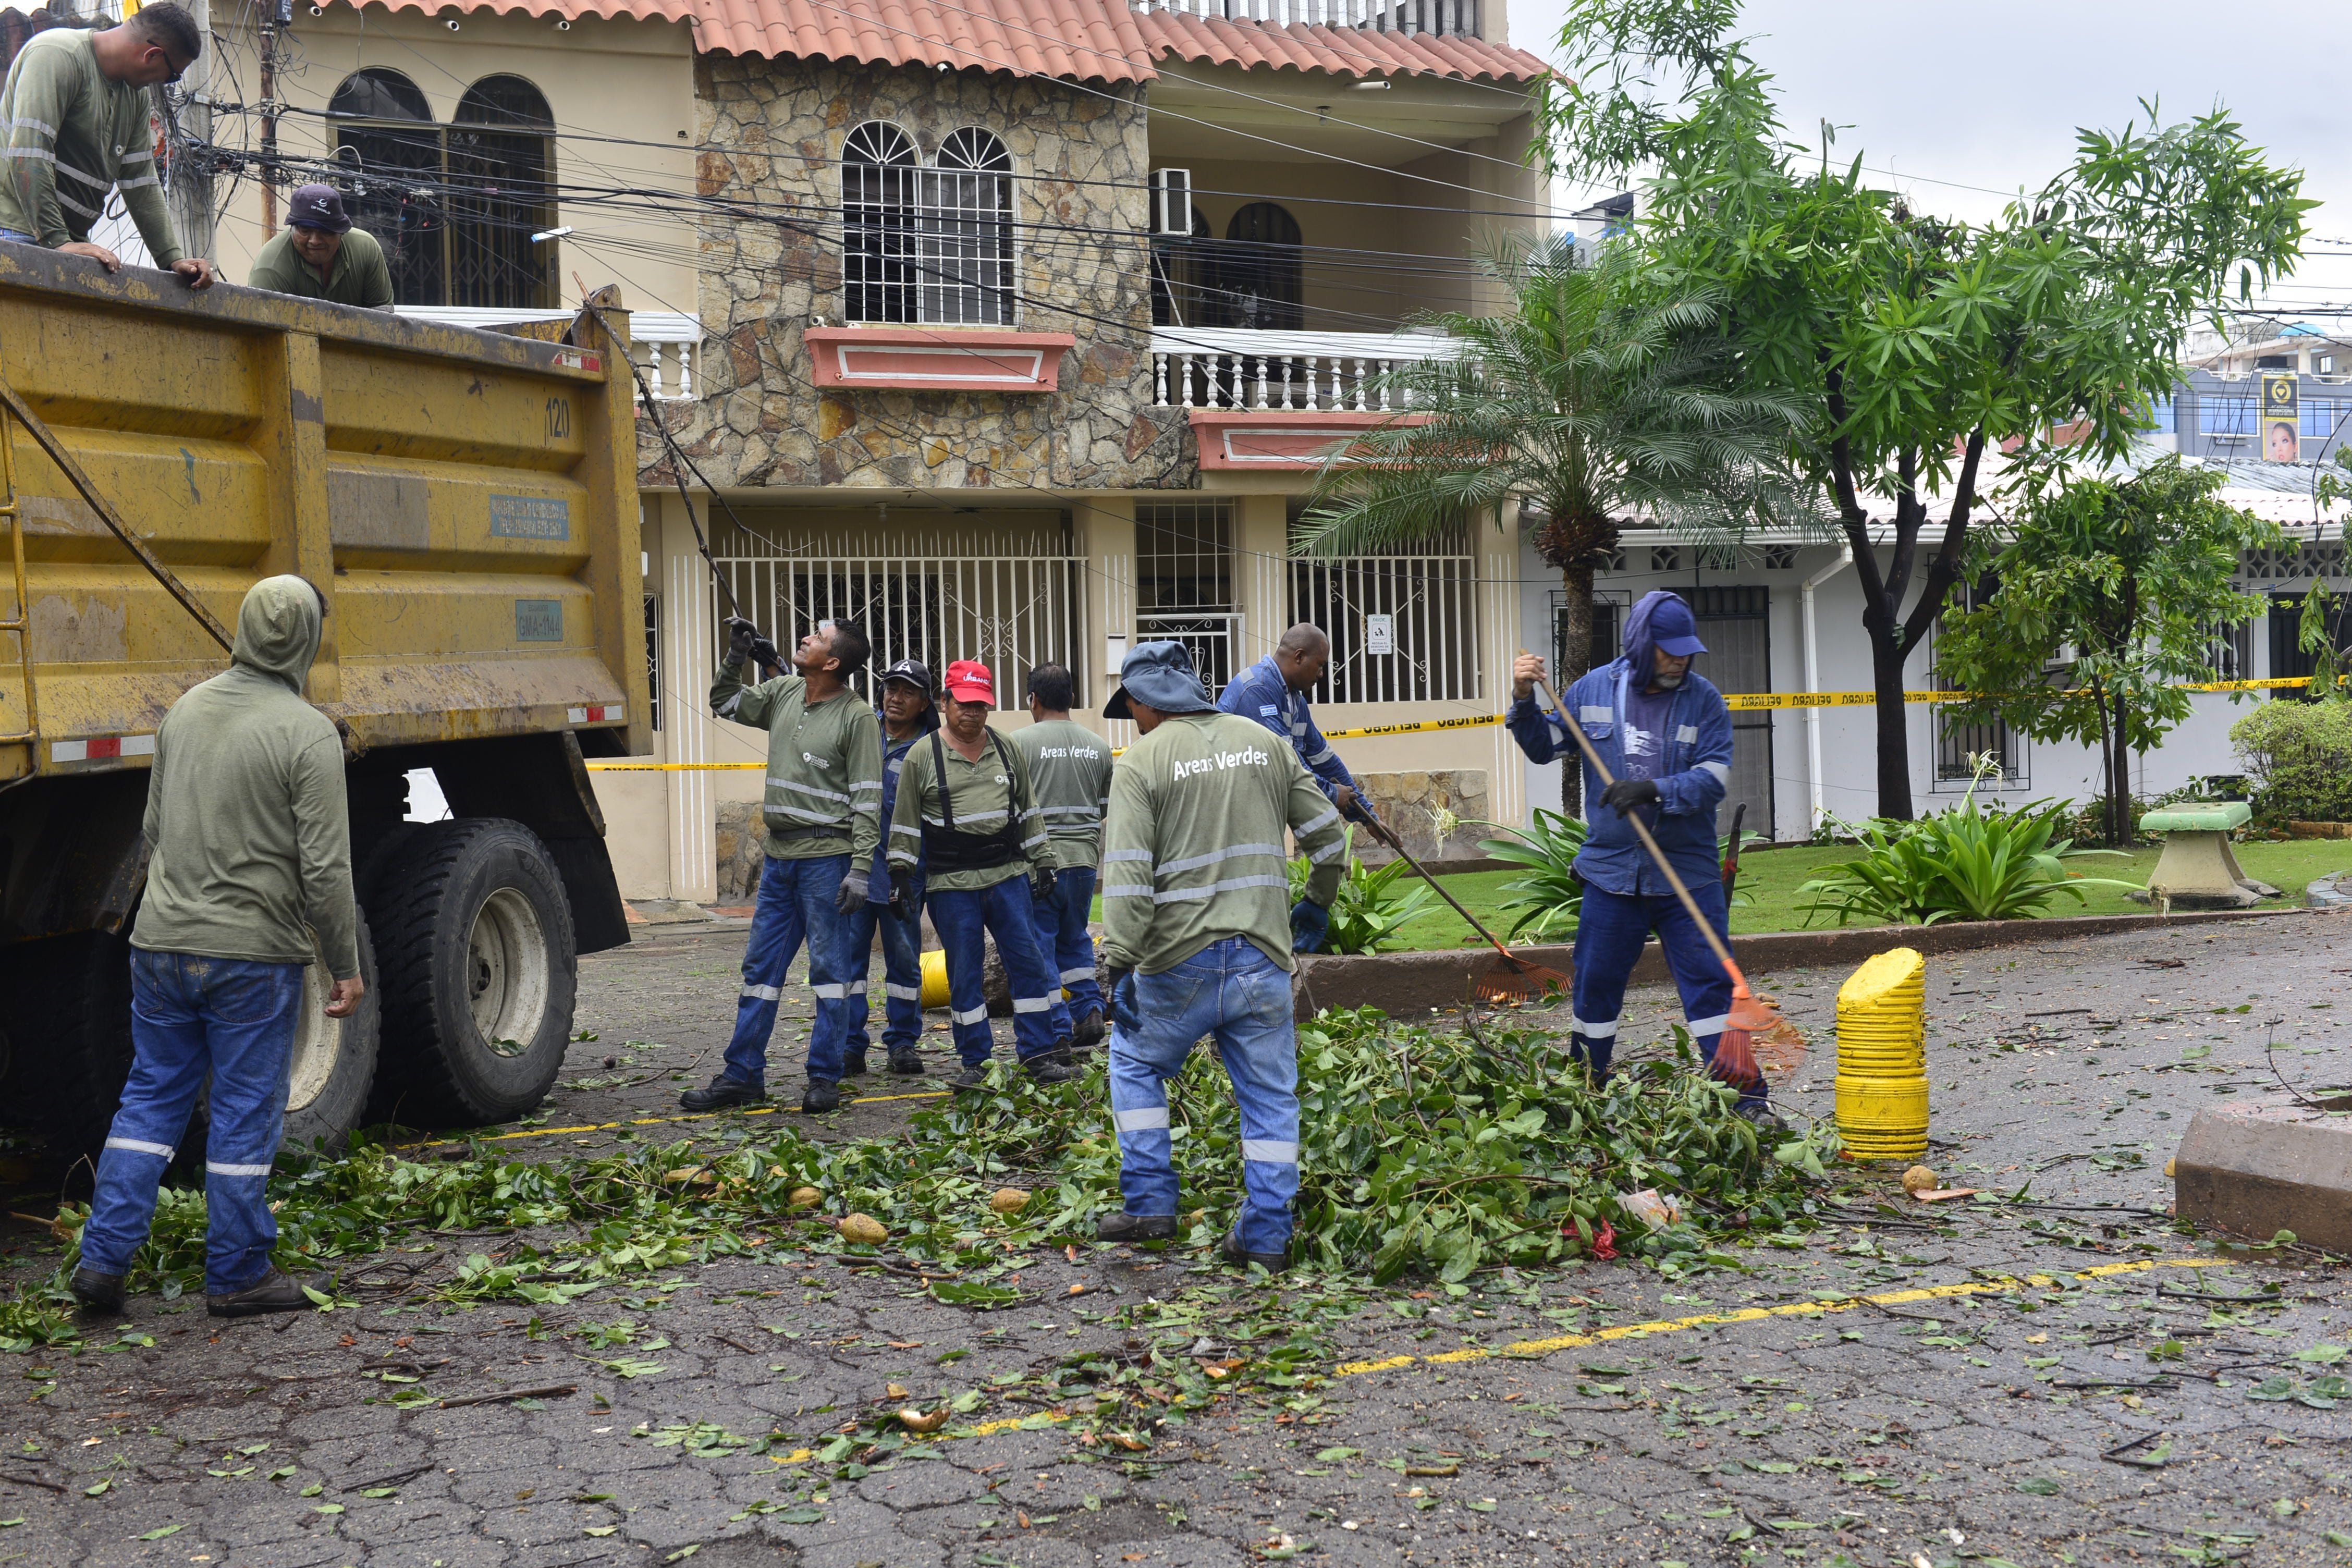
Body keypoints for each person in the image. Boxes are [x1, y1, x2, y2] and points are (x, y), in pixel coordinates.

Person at [71, 576, 362, 1320]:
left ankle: (103, 1261)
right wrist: (346, 964)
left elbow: (158, 831)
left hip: (161, 943)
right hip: (252, 956)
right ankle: (236, 1273)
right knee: (242, 1112)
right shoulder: (307, 733)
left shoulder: (185, 713)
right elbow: (326, 870)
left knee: (150, 1100)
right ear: (304, 640)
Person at [1095, 641, 1346, 1273]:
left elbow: (1127, 876)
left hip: (1177, 961)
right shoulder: (1265, 743)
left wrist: (1119, 962)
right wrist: (1316, 902)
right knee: (1270, 1097)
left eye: (1130, 707)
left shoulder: (1140, 762)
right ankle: (1265, 1234)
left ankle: (1151, 1203)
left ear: (1143, 702)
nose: (1133, 718)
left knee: (1132, 1062)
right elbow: (1327, 838)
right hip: (1263, 958)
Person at [1505, 591, 1780, 1130]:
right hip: (1611, 871)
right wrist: (1521, 696)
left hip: (1686, 873)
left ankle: (1745, 1101)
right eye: (1667, 650)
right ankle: (1587, 1086)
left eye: (1685, 651)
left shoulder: (1705, 701)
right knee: (1596, 982)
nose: (1679, 660)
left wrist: (1653, 789)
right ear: (1639, 645)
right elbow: (1545, 745)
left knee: (1710, 986)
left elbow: (1714, 779)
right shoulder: (1588, 692)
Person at [688, 616, 883, 1116]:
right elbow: (724, 702)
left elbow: (867, 800)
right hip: (780, 860)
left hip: (827, 861)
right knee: (760, 971)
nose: (805, 639)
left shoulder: (857, 718)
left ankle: (824, 1077)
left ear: (834, 661)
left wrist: (861, 868)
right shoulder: (783, 693)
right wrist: (737, 655)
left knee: (829, 973)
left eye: (816, 637)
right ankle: (742, 1076)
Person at [887, 660, 1074, 1091]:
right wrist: (899, 875)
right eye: (964, 704)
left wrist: (1044, 861)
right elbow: (905, 823)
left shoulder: (1007, 749)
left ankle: (1039, 1054)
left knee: (1028, 965)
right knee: (966, 975)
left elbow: (1027, 811)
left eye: (981, 706)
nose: (972, 713)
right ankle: (977, 1062)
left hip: (1007, 878)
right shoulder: (923, 756)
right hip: (952, 885)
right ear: (945, 702)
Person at [0, 4, 216, 289]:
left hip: (65, 241)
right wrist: (59, 241)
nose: (166, 84)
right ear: (152, 55)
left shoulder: (135, 96)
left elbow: (141, 181)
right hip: (17, 232)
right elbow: (29, 153)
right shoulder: (56, 54)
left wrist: (172, 259)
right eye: (173, 75)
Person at [839, 657, 937, 1077]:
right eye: (890, 689)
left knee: (903, 960)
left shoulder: (931, 748)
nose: (895, 698)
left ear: (923, 703)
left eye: (907, 692)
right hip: (856, 871)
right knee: (849, 964)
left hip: (905, 874)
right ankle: (849, 1045)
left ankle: (902, 1043)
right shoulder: (864, 730)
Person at [1012, 662, 1113, 1050]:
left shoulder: (1017, 743)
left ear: (1032, 700)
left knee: (1041, 947)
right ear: (1072, 698)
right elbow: (1102, 806)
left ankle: (1056, 1026)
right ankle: (1088, 1009)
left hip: (1040, 864)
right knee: (1075, 938)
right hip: (1085, 862)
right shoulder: (1099, 746)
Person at [1218, 623, 1361, 817]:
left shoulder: (1297, 702)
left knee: (1326, 830)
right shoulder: (1257, 689)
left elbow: (1324, 759)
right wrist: (1331, 792)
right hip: (1230, 808)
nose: (1321, 674)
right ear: (1299, 657)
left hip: (1259, 806)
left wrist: (1368, 816)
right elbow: (1286, 760)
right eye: (1319, 665)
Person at [246, 184, 394, 309]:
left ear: (341, 233)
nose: (315, 241)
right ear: (292, 228)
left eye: (326, 232)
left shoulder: (366, 250)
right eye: (305, 231)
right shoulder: (270, 268)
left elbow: (384, 321)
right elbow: (266, 336)